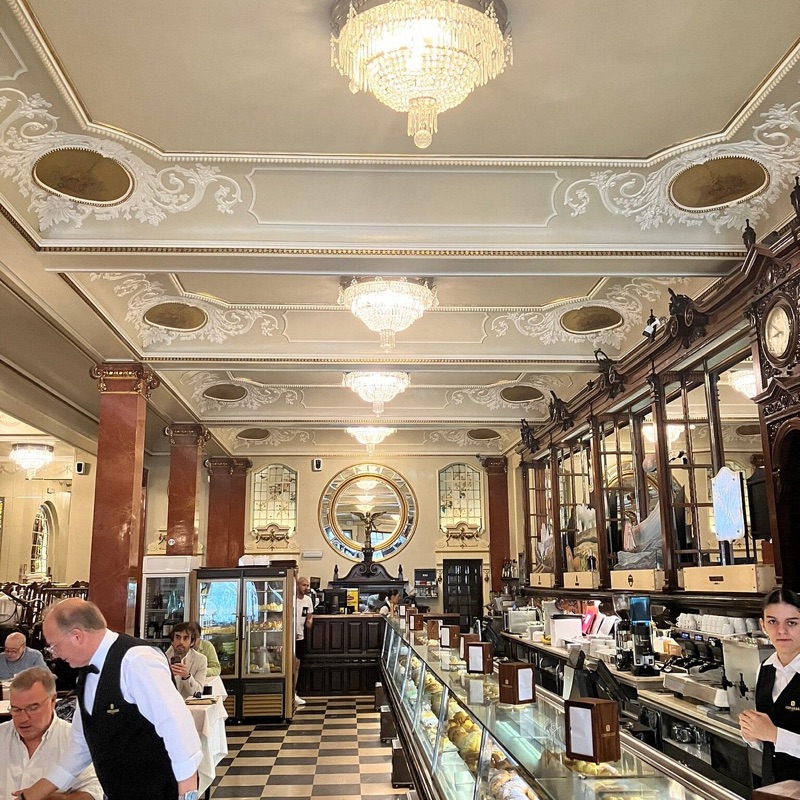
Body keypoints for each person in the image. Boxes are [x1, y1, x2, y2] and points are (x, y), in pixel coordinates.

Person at [15, 598, 202, 800]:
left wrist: (187, 795)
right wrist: (33, 794)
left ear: (77, 636)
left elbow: (177, 726)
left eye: (54, 646)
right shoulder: (86, 672)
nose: (54, 655)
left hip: (160, 791)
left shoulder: (136, 660)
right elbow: (81, 746)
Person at [1, 666, 102, 800]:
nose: (23, 718)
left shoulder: (75, 740)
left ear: (53, 701)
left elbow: (95, 791)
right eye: (16, 709)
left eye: (32, 708)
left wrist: (59, 799)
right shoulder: (2, 735)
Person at [740, 587, 800, 785]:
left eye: (791, 623)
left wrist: (773, 734)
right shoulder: (765, 668)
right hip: (774, 787)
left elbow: (772, 734)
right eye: (773, 622)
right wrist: (752, 733)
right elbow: (766, 741)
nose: (781, 631)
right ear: (763, 625)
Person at [165, 623, 208, 699]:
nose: (181, 642)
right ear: (172, 640)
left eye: (185, 638)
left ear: (192, 642)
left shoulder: (201, 660)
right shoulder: (162, 658)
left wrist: (187, 676)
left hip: (188, 707)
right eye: (177, 637)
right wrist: (168, 676)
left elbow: (198, 691)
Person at [294, 576, 314, 707]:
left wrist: (309, 622)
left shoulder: (308, 600)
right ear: (297, 585)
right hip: (290, 637)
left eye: (307, 585)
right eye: (304, 585)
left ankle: (294, 692)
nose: (306, 588)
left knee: (297, 665)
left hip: (300, 636)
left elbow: (309, 616)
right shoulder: (292, 599)